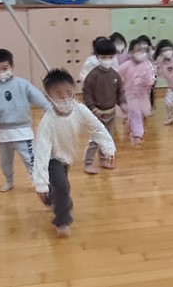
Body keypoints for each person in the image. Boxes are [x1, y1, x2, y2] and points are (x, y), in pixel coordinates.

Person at [32, 69, 116, 237]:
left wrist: (108, 147)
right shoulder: (48, 121)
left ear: (74, 91)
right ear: (48, 97)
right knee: (63, 187)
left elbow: (96, 127)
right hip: (52, 158)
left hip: (67, 158)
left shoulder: (79, 110)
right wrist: (40, 182)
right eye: (58, 94)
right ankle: (62, 221)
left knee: (57, 188)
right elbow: (41, 151)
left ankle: (51, 199)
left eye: (68, 92)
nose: (64, 98)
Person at [0, 48, 51, 191]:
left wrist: (49, 108)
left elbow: (37, 97)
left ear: (12, 66)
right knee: (5, 161)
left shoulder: (23, 84)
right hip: (3, 132)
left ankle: (38, 181)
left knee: (30, 159)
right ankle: (9, 180)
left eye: (4, 68)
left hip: (22, 131)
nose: (1, 72)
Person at [82, 37, 126, 174]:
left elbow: (120, 91)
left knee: (107, 138)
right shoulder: (93, 76)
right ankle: (88, 163)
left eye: (110, 57)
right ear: (97, 57)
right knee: (96, 139)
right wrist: (93, 108)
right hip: (97, 114)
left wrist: (123, 103)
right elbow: (87, 93)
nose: (107, 60)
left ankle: (103, 159)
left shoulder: (115, 75)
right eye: (103, 57)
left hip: (111, 113)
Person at [116, 37, 157, 146]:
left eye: (143, 51)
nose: (141, 53)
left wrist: (149, 80)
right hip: (130, 94)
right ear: (131, 52)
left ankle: (129, 127)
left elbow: (151, 79)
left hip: (143, 95)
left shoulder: (148, 65)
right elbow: (117, 76)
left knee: (142, 113)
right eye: (138, 50)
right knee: (136, 113)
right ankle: (137, 135)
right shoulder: (126, 65)